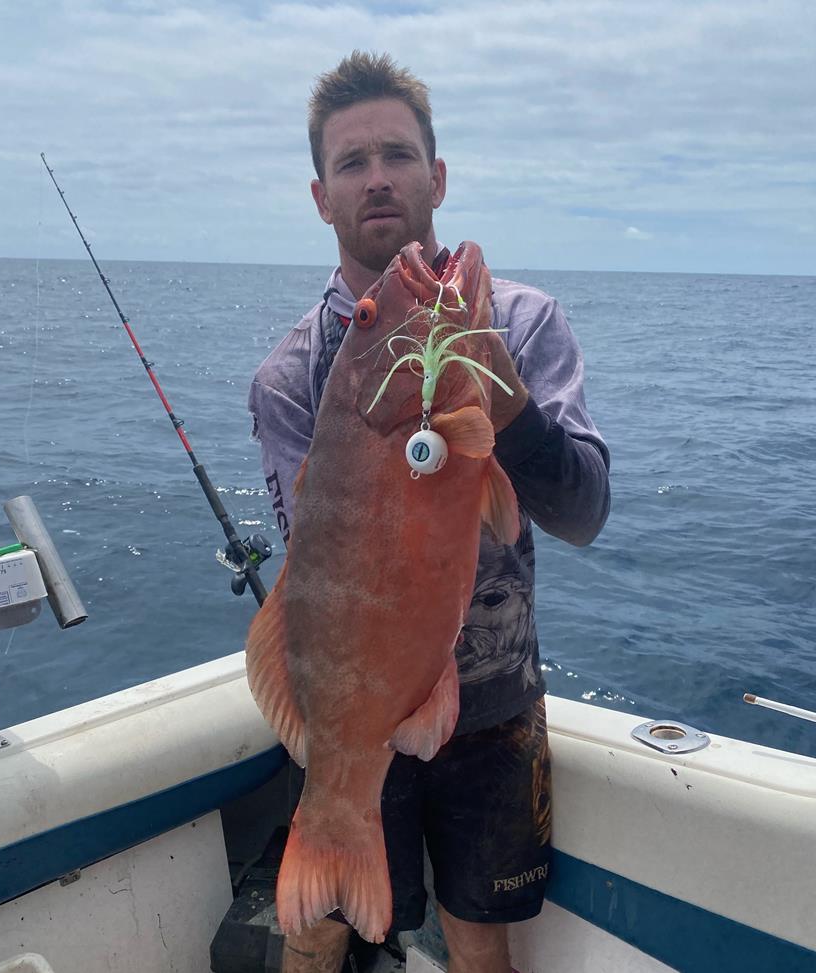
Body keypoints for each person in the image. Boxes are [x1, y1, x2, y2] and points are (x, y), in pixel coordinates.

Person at [248, 51, 610, 973]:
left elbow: (582, 512)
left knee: (479, 937)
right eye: (352, 162)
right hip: (351, 701)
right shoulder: (294, 377)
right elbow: (322, 564)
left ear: (436, 175)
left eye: (398, 155)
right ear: (321, 196)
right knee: (320, 924)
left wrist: (504, 403)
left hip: (492, 706)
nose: (378, 178)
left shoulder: (521, 326)